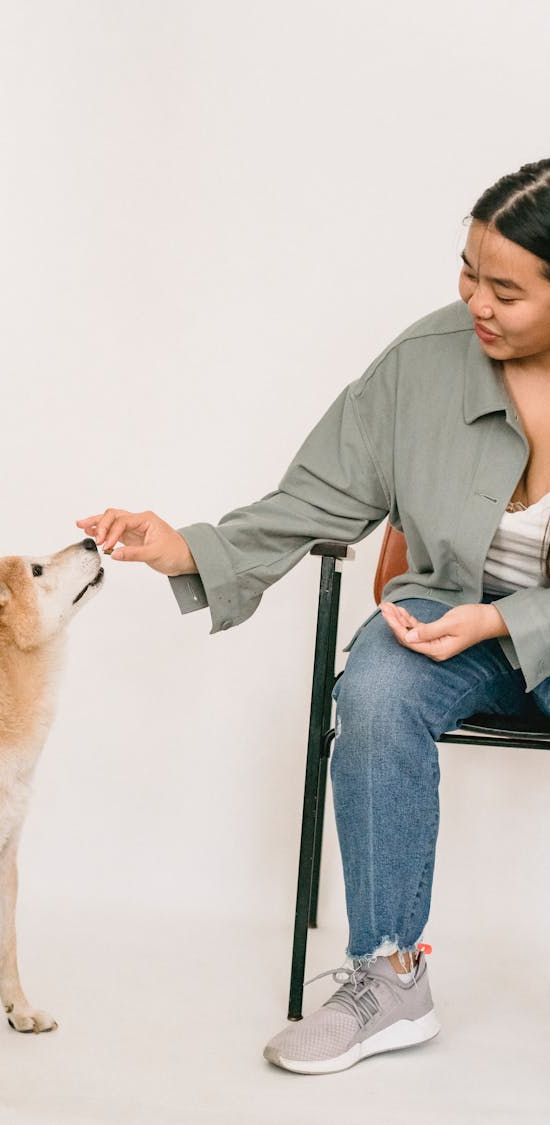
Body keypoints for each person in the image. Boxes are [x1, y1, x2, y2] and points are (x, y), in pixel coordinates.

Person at [77, 159, 550, 1074]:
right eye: (466, 273)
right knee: (375, 684)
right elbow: (317, 498)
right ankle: (388, 976)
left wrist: (506, 627)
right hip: (451, 620)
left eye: (505, 290)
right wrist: (184, 546)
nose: (475, 303)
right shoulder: (426, 360)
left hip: (508, 631)